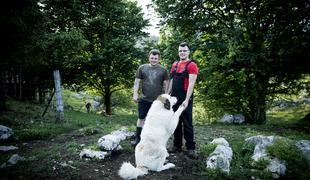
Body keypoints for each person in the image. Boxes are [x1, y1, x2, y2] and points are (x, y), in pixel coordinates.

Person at [131, 49, 169, 147]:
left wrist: (165, 98)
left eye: (156, 58)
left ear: (159, 59)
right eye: (152, 58)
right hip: (144, 98)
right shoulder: (142, 68)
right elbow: (136, 82)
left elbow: (166, 84)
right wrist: (135, 94)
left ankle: (153, 141)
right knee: (141, 118)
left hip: (158, 100)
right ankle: (138, 139)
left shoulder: (163, 70)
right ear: (149, 57)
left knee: (155, 121)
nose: (153, 60)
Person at [167, 42, 199, 158]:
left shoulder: (192, 65)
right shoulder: (175, 64)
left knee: (187, 123)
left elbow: (191, 84)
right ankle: (177, 145)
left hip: (185, 98)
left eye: (184, 50)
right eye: (180, 51)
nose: (182, 53)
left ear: (188, 52)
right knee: (175, 122)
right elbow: (171, 81)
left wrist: (186, 100)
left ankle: (190, 148)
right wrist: (167, 95)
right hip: (174, 98)